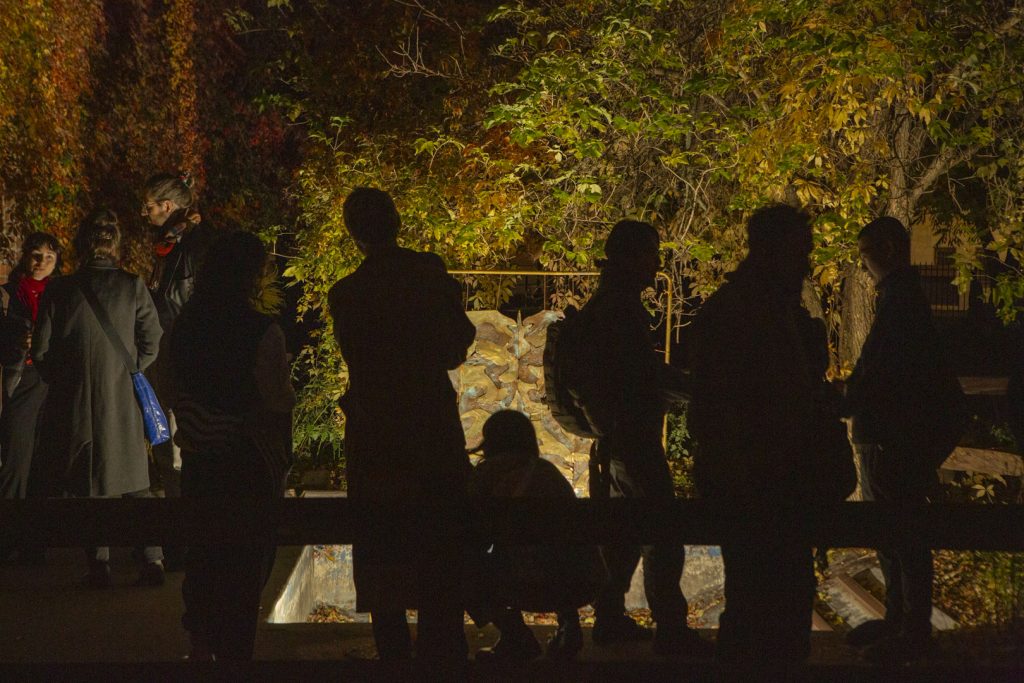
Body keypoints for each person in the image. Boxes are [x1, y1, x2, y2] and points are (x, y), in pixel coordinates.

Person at [328, 187, 476, 664]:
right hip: (429, 420)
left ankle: (392, 655)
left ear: (354, 234)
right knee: (440, 539)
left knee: (382, 544)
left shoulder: (346, 295)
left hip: (375, 428)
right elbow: (456, 346)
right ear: (396, 221)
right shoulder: (427, 274)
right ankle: (444, 651)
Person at [688, 204, 821, 677]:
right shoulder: (752, 313)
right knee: (768, 610)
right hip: (763, 486)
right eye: (800, 252)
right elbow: (723, 408)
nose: (806, 263)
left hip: (762, 484)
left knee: (758, 605)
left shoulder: (744, 308)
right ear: (773, 252)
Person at [573, 220, 707, 657]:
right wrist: (693, 387)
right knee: (663, 533)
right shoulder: (620, 307)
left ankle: (610, 618)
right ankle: (669, 626)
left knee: (627, 532)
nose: (656, 262)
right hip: (633, 437)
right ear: (632, 257)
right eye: (651, 252)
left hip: (616, 437)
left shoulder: (609, 301)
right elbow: (639, 376)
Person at [842, 216, 966, 663]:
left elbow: (880, 366)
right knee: (892, 530)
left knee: (901, 531)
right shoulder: (900, 299)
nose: (864, 263)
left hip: (891, 439)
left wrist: (848, 399)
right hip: (893, 436)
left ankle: (910, 627)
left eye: (866, 252)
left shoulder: (899, 301)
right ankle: (900, 619)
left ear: (888, 250)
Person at [169, 231, 295, 661]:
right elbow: (277, 399)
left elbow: (174, 387)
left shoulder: (186, 327)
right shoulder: (261, 331)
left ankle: (201, 651)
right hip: (247, 466)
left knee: (203, 565)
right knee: (242, 571)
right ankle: (235, 658)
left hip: (201, 461)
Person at [32, 210, 164, 587]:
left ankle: (99, 564)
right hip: (120, 399)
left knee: (91, 486)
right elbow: (152, 339)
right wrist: (129, 368)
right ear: (114, 245)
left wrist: (63, 379)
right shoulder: (132, 286)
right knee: (136, 483)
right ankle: (151, 558)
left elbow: (41, 350)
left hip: (75, 401)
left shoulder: (60, 290)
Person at [466, 409, 600, 662]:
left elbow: (476, 537)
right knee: (554, 549)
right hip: (578, 582)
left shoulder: (486, 475)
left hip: (520, 584)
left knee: (461, 564)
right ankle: (568, 626)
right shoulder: (547, 471)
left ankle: (515, 635)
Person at [141, 171, 213, 570]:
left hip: (182, 362)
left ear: (168, 207)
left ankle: (188, 542)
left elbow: (190, 306)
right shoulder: (171, 246)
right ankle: (182, 540)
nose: (144, 212)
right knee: (168, 451)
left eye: (149, 205)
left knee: (179, 452)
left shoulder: (193, 246)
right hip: (169, 358)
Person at [0, 232, 62, 563]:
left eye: (48, 258)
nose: (40, 263)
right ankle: (9, 535)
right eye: (36, 255)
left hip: (51, 380)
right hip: (21, 377)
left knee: (44, 461)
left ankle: (35, 542)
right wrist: (14, 340)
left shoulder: (61, 294)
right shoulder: (9, 294)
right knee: (15, 458)